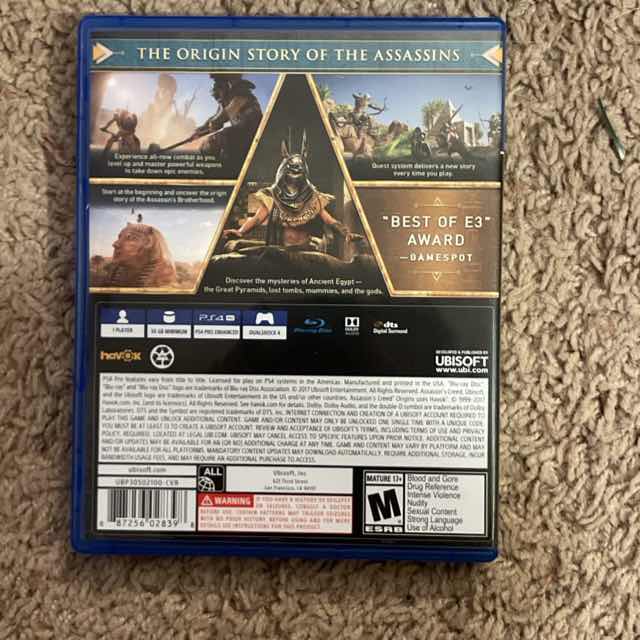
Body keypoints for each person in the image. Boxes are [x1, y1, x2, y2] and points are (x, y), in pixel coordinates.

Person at [222, 132, 362, 251]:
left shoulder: (312, 197)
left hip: (305, 249)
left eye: (298, 169)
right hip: (279, 249)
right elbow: (257, 219)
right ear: (284, 171)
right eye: (291, 169)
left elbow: (330, 221)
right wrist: (240, 232)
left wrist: (346, 234)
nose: (295, 173)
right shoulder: (273, 196)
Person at [197, 74, 262, 166]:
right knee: (206, 145)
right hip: (240, 135)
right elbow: (215, 117)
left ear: (225, 87)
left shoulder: (241, 93)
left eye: (218, 93)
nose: (218, 99)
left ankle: (229, 166)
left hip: (254, 135)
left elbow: (224, 114)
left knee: (221, 137)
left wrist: (215, 122)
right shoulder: (224, 101)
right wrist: (200, 130)